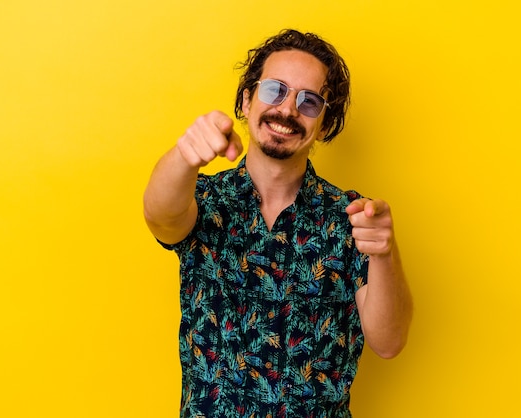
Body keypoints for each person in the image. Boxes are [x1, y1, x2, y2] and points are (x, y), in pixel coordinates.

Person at [143, 29, 413, 418]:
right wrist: (186, 155)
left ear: (324, 124)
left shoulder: (353, 217)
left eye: (309, 101)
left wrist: (385, 253)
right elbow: (160, 216)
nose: (287, 110)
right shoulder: (203, 199)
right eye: (275, 90)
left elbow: (389, 342)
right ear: (247, 100)